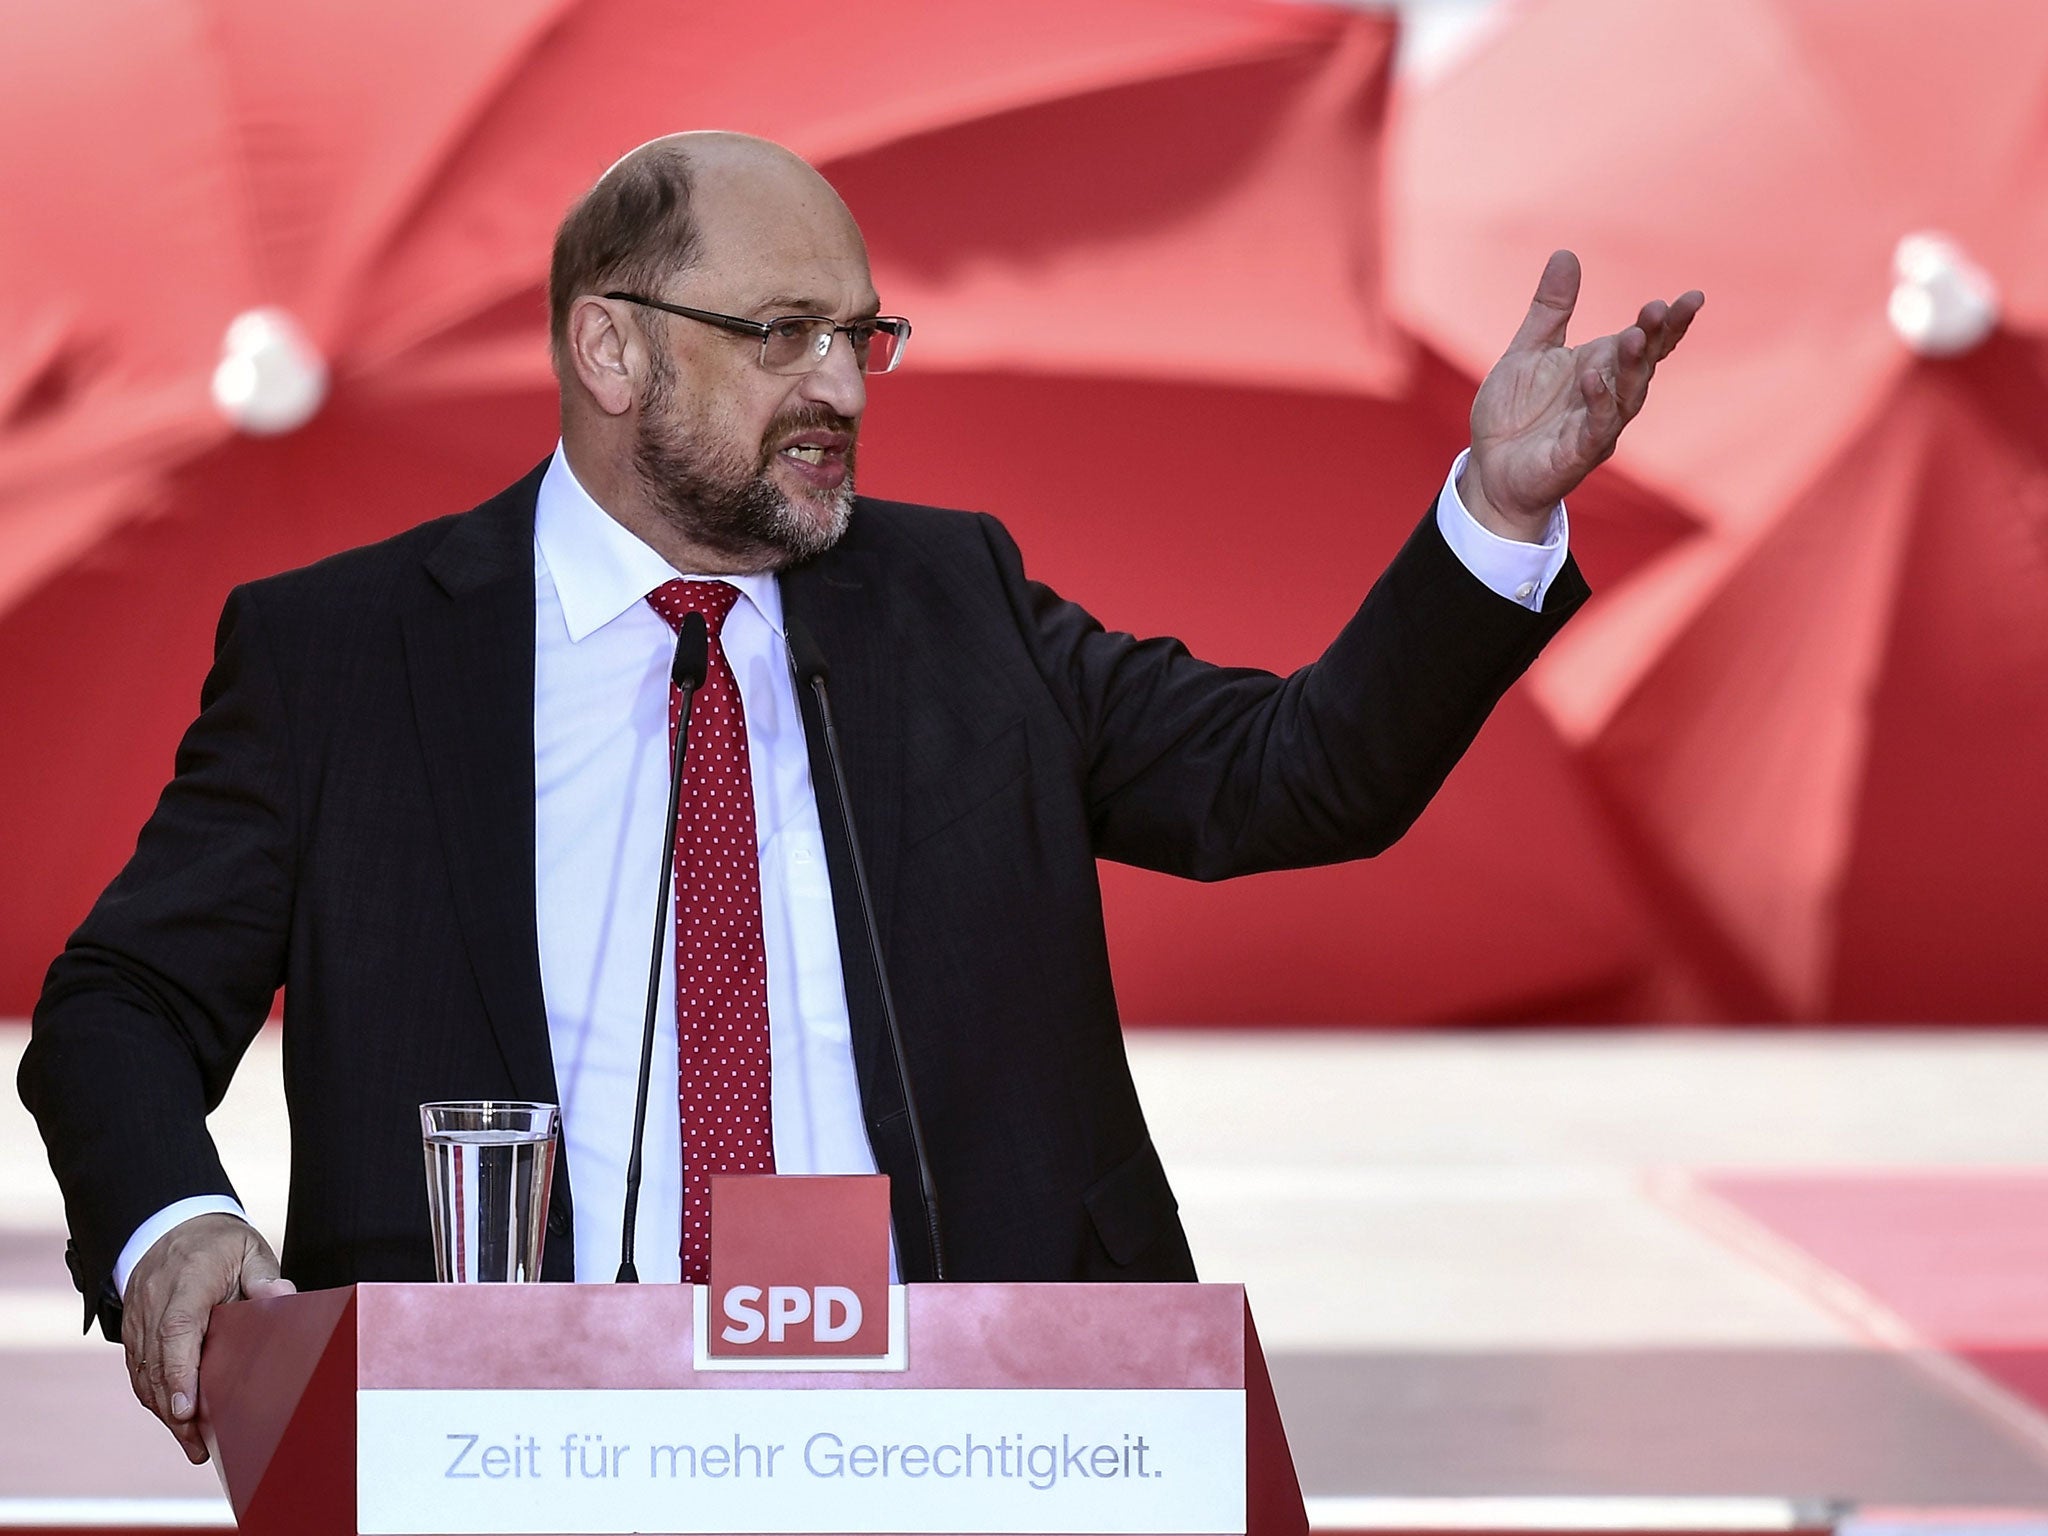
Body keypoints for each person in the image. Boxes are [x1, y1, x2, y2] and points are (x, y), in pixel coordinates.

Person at [17, 132, 1701, 1463]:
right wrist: (174, 1224)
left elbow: (1296, 778)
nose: (838, 385)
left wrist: (1491, 516)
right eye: (780, 337)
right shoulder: (349, 653)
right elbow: (119, 1002)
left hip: (966, 1440)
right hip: (512, 1444)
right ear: (609, 347)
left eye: (860, 336)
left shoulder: (954, 603)